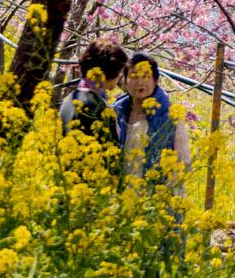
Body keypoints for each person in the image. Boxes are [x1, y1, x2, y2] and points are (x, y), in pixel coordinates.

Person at [115, 51, 191, 187]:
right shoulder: (116, 112)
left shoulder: (170, 115)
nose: (140, 82)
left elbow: (183, 164)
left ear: (155, 81)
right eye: (134, 76)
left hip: (154, 195)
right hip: (119, 195)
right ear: (124, 81)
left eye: (146, 75)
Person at [58, 38, 126, 148]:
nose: (120, 76)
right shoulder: (94, 105)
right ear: (108, 71)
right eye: (120, 71)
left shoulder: (70, 99)